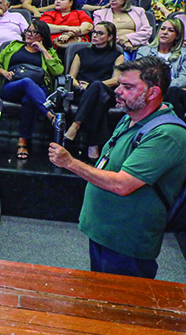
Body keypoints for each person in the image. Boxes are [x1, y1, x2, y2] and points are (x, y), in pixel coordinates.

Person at [49, 56, 186, 279]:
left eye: (128, 86)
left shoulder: (167, 134)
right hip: (104, 232)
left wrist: (70, 163)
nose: (118, 91)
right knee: (102, 301)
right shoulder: (129, 117)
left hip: (127, 241)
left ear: (153, 93)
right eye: (119, 84)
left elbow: (123, 185)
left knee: (123, 309)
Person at [0, 19, 64, 159]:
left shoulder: (49, 51)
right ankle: (49, 113)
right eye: (28, 31)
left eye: (34, 32)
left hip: (37, 90)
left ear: (42, 36)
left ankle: (22, 142)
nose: (29, 34)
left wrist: (43, 50)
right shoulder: (14, 46)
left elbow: (57, 71)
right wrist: (4, 72)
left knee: (29, 98)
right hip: (12, 86)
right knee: (26, 82)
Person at [63, 21, 125, 159]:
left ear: (109, 37)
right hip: (83, 92)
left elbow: (116, 80)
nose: (95, 35)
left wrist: (92, 85)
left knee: (97, 87)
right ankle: (93, 145)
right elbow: (71, 77)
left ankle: (76, 124)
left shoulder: (117, 54)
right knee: (98, 104)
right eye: (94, 32)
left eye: (100, 33)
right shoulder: (81, 53)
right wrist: (79, 85)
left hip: (106, 91)